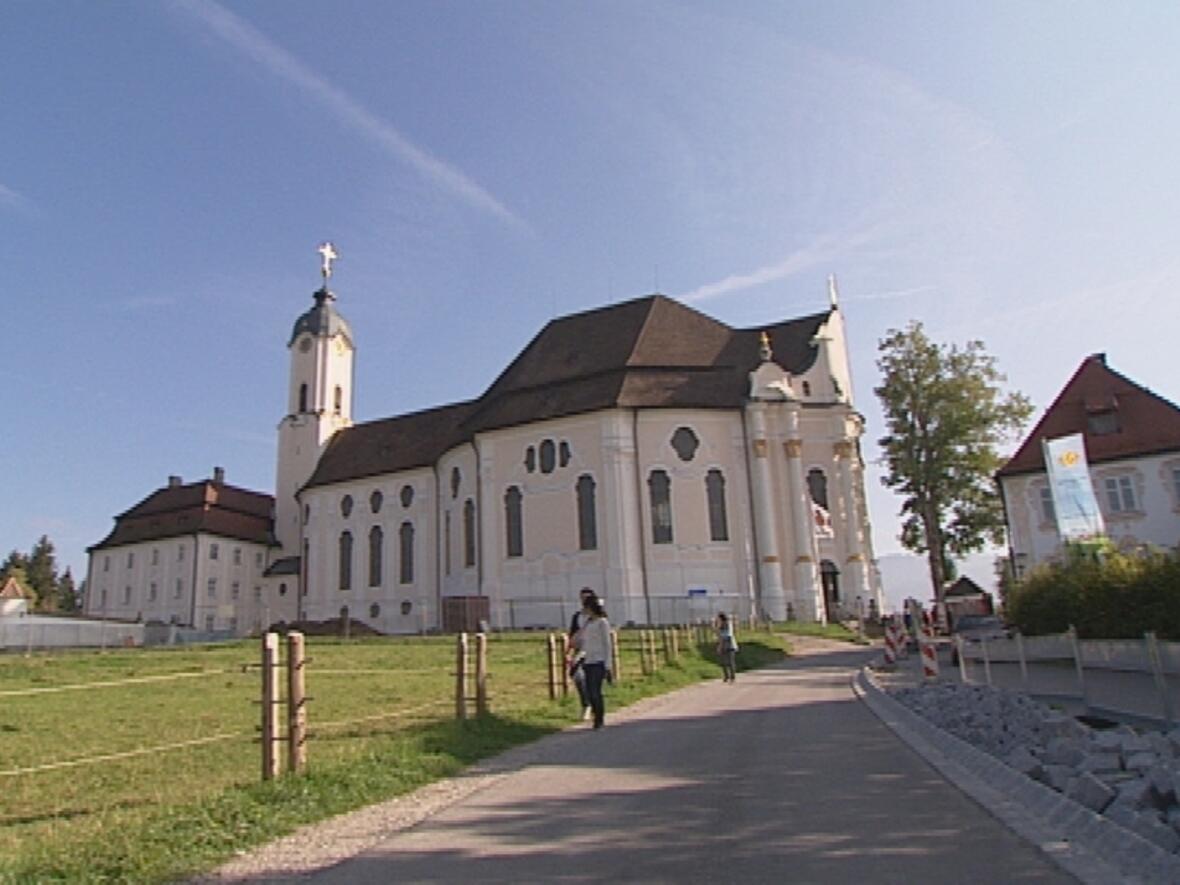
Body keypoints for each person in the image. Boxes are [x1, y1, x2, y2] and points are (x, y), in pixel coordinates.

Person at [575, 595, 612, 729]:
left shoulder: (602, 622)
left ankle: (599, 718)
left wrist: (608, 664)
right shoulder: (587, 623)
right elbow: (584, 642)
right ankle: (596, 714)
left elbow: (607, 644)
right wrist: (579, 656)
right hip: (588, 660)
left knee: (596, 691)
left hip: (599, 661)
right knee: (589, 691)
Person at [568, 587, 595, 719]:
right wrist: (570, 652)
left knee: (592, 679)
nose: (584, 600)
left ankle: (594, 705)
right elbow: (572, 635)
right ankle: (586, 704)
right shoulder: (577, 616)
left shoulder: (597, 617)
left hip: (594, 651)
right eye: (582, 598)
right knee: (577, 675)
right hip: (580, 651)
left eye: (587, 598)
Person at [716, 612, 738, 682]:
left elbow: (727, 635)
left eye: (718, 619)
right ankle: (726, 676)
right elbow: (719, 636)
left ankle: (732, 676)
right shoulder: (721, 626)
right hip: (724, 644)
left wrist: (720, 645)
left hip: (730, 644)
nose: (718, 620)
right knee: (724, 661)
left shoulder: (728, 624)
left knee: (730, 661)